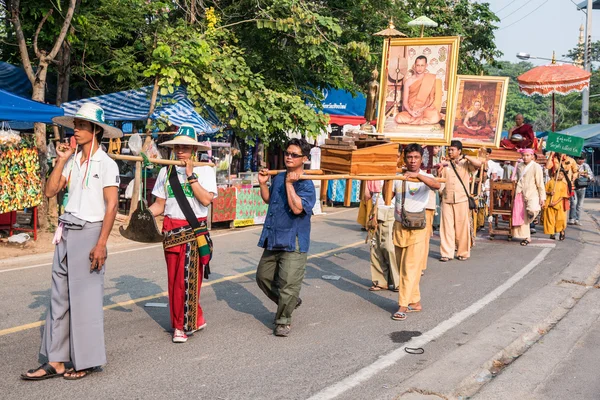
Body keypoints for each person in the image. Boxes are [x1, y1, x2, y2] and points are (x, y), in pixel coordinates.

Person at [22, 103, 121, 380]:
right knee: (58, 299)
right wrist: (62, 160)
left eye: (81, 125)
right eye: (75, 125)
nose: (75, 130)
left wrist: (101, 244)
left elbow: (111, 205)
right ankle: (56, 360)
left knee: (85, 300)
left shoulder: (107, 163)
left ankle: (87, 360)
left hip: (91, 232)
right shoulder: (73, 160)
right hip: (66, 230)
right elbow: (51, 191)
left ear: (95, 130)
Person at [149, 124, 217, 343]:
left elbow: (206, 200)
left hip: (194, 231)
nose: (181, 151)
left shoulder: (205, 169)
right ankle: (195, 317)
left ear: (194, 150)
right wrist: (142, 215)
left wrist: (191, 176)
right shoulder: (165, 171)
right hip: (171, 231)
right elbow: (159, 205)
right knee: (174, 281)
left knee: (187, 280)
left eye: (186, 147)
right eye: (178, 146)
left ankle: (181, 326)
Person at [256, 138, 316, 337]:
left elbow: (297, 208)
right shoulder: (279, 177)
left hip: (294, 239)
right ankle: (289, 302)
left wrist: (291, 184)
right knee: (263, 277)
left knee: (288, 283)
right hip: (274, 235)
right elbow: (268, 199)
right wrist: (264, 184)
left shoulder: (307, 183)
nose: (289, 157)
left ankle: (283, 320)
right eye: (287, 153)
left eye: (294, 155)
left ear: (304, 159)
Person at [390, 143, 441, 321]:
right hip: (399, 226)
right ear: (404, 158)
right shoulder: (397, 177)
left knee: (409, 269)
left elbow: (436, 186)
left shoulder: (426, 176)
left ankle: (403, 305)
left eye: (416, 157)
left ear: (421, 159)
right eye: (409, 157)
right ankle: (415, 301)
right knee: (400, 266)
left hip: (418, 228)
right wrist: (387, 179)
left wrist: (417, 176)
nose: (412, 161)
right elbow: (385, 197)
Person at [438, 140, 483, 261]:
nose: (450, 152)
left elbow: (478, 164)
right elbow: (440, 179)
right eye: (449, 149)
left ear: (459, 151)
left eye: (453, 150)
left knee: (462, 227)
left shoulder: (465, 163)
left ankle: (463, 252)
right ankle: (446, 253)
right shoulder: (445, 163)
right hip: (447, 198)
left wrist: (465, 157)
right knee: (446, 227)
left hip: (461, 199)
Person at [367, 180, 399, 291]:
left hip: (390, 211)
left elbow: (388, 197)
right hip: (375, 212)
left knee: (390, 248)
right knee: (375, 248)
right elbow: (366, 196)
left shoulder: (396, 176)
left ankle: (398, 281)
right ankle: (380, 281)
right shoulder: (373, 177)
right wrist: (367, 182)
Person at [394, 56, 442, 125]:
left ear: (426, 65)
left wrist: (422, 109)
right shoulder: (408, 81)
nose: (420, 68)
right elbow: (405, 102)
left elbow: (431, 98)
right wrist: (411, 112)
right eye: (418, 65)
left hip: (425, 110)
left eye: (422, 65)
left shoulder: (430, 78)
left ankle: (415, 121)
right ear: (414, 66)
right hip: (411, 110)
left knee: (435, 116)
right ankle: (420, 121)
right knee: (398, 118)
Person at [511, 148, 545, 246]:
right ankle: (527, 237)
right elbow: (517, 178)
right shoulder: (519, 166)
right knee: (523, 216)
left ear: (532, 156)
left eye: (527, 155)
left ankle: (534, 217)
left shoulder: (536, 167)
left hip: (533, 193)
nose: (525, 157)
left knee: (533, 210)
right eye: (523, 155)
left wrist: (542, 197)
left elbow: (540, 183)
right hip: (520, 193)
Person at [569, 154, 594, 225]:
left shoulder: (585, 166)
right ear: (576, 159)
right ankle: (572, 218)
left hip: (582, 187)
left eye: (582, 159)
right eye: (579, 159)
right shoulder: (572, 164)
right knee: (574, 203)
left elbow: (591, 175)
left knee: (580, 204)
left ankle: (577, 219)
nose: (581, 161)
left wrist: (587, 176)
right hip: (573, 187)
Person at [543, 170, 569, 240]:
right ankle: (552, 233)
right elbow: (543, 191)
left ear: (563, 176)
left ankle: (561, 231)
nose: (559, 175)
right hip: (549, 203)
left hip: (559, 204)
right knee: (550, 219)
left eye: (561, 174)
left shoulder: (564, 184)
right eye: (558, 173)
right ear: (555, 174)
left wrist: (555, 202)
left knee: (560, 219)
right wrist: (549, 193)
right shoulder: (550, 182)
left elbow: (563, 196)